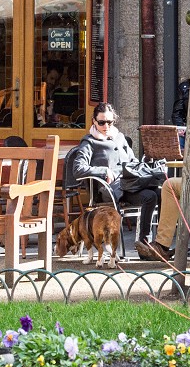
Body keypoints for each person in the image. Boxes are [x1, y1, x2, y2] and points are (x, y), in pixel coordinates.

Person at [66, 103, 165, 262]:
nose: (106, 126)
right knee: (150, 196)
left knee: (158, 193)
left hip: (131, 185)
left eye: (109, 122)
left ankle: (154, 244)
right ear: (94, 121)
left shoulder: (120, 137)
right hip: (112, 191)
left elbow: (132, 160)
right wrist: (103, 170)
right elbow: (78, 169)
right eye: (101, 122)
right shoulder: (89, 142)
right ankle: (144, 245)